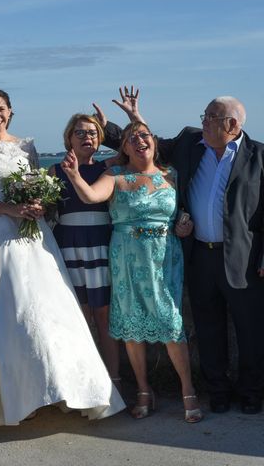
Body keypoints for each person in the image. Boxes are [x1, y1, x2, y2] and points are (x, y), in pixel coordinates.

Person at [0, 88, 125, 441]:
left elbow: (37, 188)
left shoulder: (27, 147)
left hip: (30, 236)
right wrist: (8, 208)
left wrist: (36, 206)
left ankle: (46, 390)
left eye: (1, 109)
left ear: (10, 112)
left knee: (41, 312)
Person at [104, 93, 264, 415]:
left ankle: (250, 392)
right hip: (199, 255)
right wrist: (127, 119)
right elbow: (146, 145)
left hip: (242, 259)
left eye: (209, 118)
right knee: (207, 327)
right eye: (204, 116)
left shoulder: (258, 156)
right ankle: (217, 390)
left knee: (250, 330)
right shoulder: (192, 142)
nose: (202, 122)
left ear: (231, 125)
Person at [61, 120, 202, 422]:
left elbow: (185, 212)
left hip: (165, 257)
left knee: (170, 321)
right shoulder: (115, 175)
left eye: (144, 135)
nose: (139, 141)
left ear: (153, 141)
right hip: (126, 257)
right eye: (131, 138)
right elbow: (91, 196)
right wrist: (73, 176)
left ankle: (188, 390)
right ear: (123, 148)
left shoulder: (172, 175)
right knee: (131, 322)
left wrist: (184, 226)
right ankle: (143, 390)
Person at [50, 113, 120, 384]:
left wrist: (114, 123)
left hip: (100, 244)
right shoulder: (54, 171)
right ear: (68, 138)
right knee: (77, 315)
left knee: (103, 314)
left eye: (92, 132)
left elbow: (140, 145)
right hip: (67, 245)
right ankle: (82, 381)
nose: (87, 137)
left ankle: (113, 380)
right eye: (80, 132)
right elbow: (46, 210)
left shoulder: (108, 168)